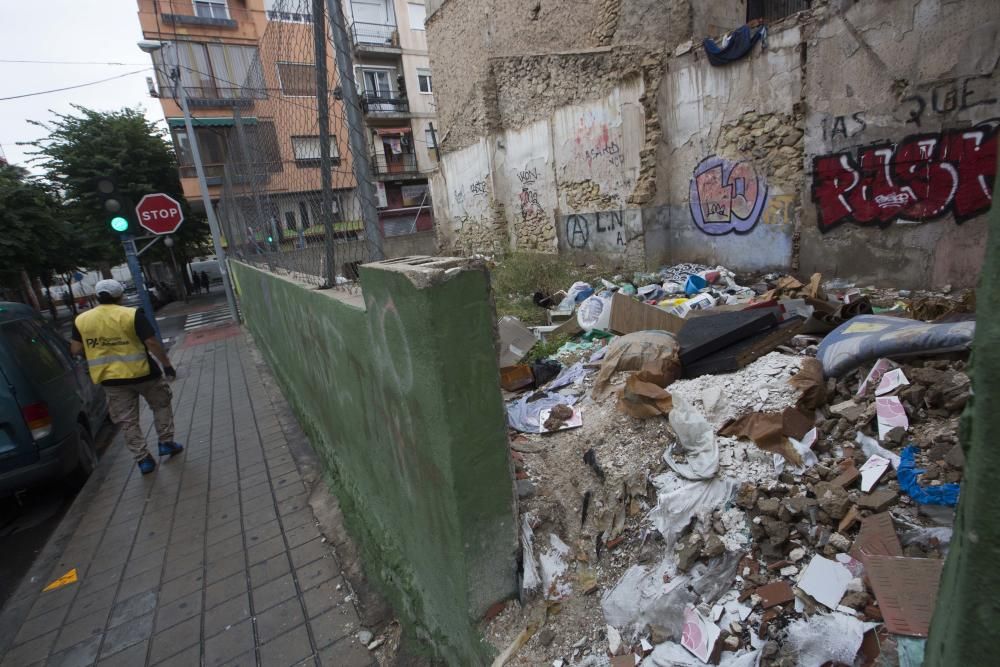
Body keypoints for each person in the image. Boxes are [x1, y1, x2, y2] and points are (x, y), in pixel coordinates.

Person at [70, 279, 183, 474]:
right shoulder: (131, 315)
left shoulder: (82, 320)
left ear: (97, 297)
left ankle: (143, 460)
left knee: (127, 420)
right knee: (161, 404)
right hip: (144, 373)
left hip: (111, 380)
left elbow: (76, 349)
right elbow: (152, 342)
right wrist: (167, 365)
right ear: (119, 296)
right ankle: (166, 442)